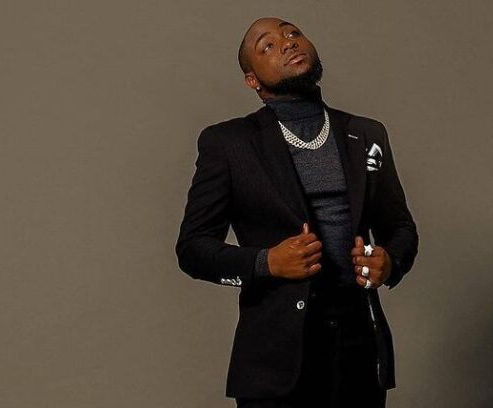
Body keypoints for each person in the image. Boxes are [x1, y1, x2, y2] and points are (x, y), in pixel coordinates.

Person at [175, 16, 419, 408]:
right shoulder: (228, 143)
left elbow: (400, 227)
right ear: (252, 80)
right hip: (275, 357)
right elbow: (192, 249)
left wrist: (389, 262)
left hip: (359, 345)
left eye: (293, 33)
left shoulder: (367, 134)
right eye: (267, 45)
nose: (288, 42)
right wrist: (266, 263)